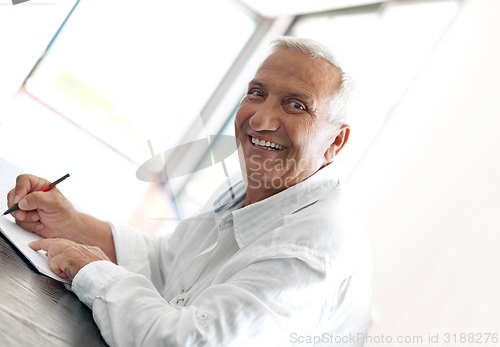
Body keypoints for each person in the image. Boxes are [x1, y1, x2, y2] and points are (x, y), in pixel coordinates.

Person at [7, 36, 372, 346]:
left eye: (296, 105)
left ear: (335, 142)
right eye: (257, 93)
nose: (261, 120)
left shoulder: (314, 250)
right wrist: (71, 223)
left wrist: (92, 271)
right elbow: (168, 266)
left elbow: (189, 341)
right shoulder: (250, 188)